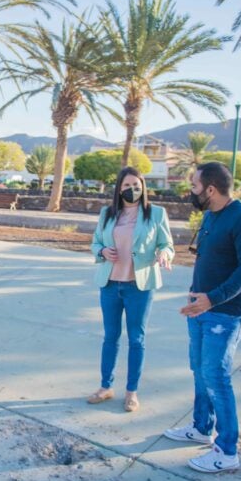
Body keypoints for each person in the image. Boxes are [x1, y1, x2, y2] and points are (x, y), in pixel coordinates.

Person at [163, 162, 241, 473]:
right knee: (199, 370)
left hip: (225, 314)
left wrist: (212, 299)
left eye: (193, 187)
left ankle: (227, 449)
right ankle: (201, 427)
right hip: (200, 309)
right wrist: (197, 295)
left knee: (217, 377)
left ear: (210, 189)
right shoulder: (210, 215)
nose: (190, 192)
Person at [89, 167, 174, 412]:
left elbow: (166, 243)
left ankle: (131, 392)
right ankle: (106, 387)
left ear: (143, 187)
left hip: (140, 286)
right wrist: (102, 251)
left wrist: (164, 253)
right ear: (119, 188)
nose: (132, 190)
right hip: (110, 285)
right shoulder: (107, 213)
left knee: (136, 339)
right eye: (127, 185)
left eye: (136, 185)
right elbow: (95, 242)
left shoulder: (156, 214)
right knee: (110, 337)